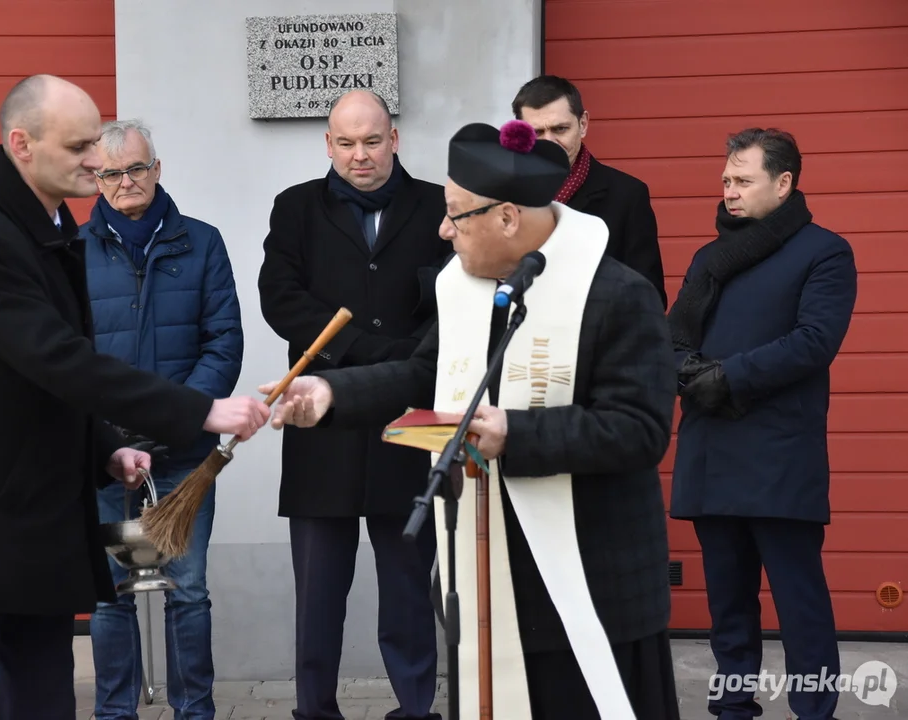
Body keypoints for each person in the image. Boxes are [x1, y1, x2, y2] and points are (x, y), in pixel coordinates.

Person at [259, 119, 681, 720]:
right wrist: (329, 393)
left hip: (592, 586)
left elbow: (640, 430)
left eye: (454, 215)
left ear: (507, 218)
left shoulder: (615, 294)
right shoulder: (467, 287)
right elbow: (420, 373)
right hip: (488, 573)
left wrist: (516, 433)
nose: (441, 229)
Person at [0, 74, 270, 720]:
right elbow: (59, 359)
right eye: (78, 148)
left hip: (39, 529)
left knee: (44, 703)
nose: (97, 162)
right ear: (22, 144)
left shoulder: (47, 227)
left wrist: (104, 447)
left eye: (95, 143)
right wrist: (199, 411)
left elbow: (42, 377)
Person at [256, 88, 452, 720]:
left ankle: (416, 707)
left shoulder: (435, 206)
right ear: (328, 145)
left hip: (408, 420)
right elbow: (281, 298)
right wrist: (373, 353)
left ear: (394, 139)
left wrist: (408, 363)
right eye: (346, 143)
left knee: (408, 586)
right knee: (318, 591)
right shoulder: (296, 208)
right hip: (322, 423)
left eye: (372, 141)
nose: (360, 155)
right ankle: (314, 709)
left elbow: (456, 295)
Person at [667, 128, 857, 720]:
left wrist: (726, 377)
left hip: (779, 458)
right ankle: (733, 708)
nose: (730, 191)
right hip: (711, 453)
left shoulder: (825, 252)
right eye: (726, 180)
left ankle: (815, 710)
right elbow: (673, 338)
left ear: (783, 183)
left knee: (799, 601)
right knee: (728, 605)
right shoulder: (708, 258)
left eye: (743, 181)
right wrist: (687, 370)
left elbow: (813, 343)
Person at [81, 117, 243, 719]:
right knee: (108, 598)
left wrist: (179, 420)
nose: (127, 181)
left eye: (137, 168)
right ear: (95, 180)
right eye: (112, 173)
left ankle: (194, 711)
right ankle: (115, 713)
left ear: (158, 169)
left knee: (190, 591)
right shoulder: (73, 254)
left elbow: (223, 341)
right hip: (106, 457)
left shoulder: (201, 242)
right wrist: (108, 437)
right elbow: (67, 358)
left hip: (183, 456)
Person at [511, 74, 667, 307]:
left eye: (560, 129)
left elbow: (648, 294)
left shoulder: (627, 195)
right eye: (537, 133)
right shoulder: (503, 194)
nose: (550, 142)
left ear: (583, 124)